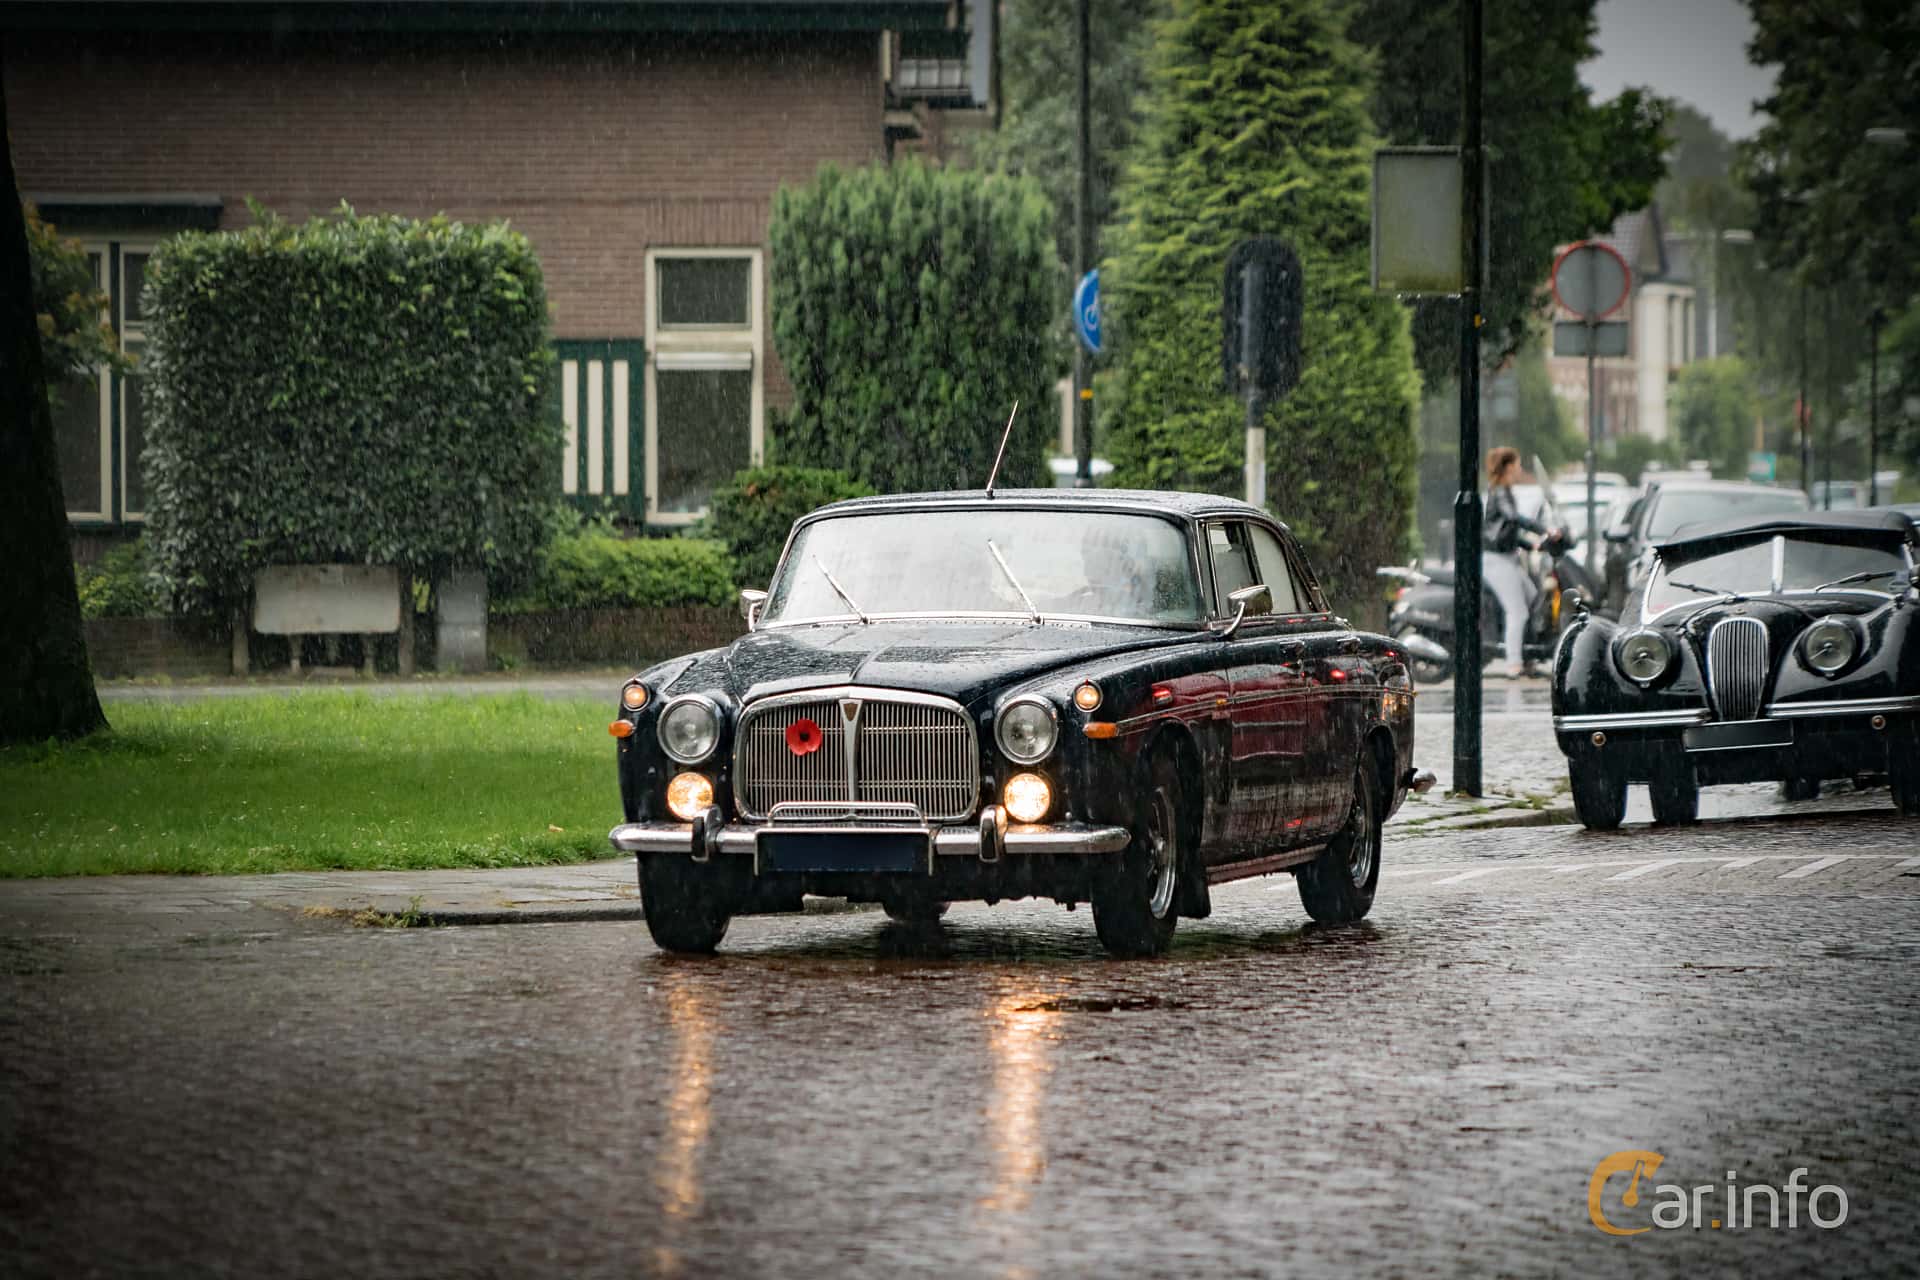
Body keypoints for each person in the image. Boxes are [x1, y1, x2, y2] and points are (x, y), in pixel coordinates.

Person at [1482, 446, 1554, 679]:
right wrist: (1544, 529)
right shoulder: (1500, 492)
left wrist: (1532, 545)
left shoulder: (1503, 491)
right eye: (1517, 464)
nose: (1520, 469)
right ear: (1508, 467)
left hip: (1507, 558)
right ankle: (1514, 663)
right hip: (1497, 561)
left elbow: (1508, 530)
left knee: (1533, 599)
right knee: (1518, 612)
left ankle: (1528, 657)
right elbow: (1513, 519)